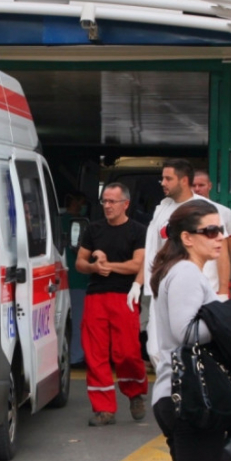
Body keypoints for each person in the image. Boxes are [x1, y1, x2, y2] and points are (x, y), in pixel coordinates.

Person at [148, 199, 226, 461]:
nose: (220, 237)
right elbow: (186, 332)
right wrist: (228, 320)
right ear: (187, 238)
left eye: (220, 229)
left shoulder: (180, 271)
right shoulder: (186, 273)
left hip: (179, 395)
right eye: (211, 231)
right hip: (188, 398)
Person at [131, 159, 230, 369]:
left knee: (192, 348)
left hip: (198, 288)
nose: (163, 183)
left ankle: (188, 387)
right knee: (156, 350)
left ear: (184, 180)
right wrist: (138, 283)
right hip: (162, 289)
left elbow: (222, 250)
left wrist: (222, 291)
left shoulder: (205, 209)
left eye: (168, 178)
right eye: (163, 178)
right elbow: (153, 251)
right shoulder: (162, 208)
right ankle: (173, 388)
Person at [76, 182, 148, 426]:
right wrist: (93, 267)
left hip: (124, 297)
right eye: (104, 201)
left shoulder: (138, 231)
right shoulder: (93, 230)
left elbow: (138, 264)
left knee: (127, 352)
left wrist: (108, 266)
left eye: (112, 201)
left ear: (125, 204)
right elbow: (80, 262)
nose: (107, 206)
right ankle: (103, 409)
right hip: (95, 296)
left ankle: (135, 392)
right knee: (94, 353)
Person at [192, 171, 231, 301]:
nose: (197, 189)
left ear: (210, 186)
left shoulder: (224, 212)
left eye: (201, 185)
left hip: (217, 286)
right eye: (193, 185)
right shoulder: (177, 212)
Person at [60, 191, 90, 366]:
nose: (83, 206)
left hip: (63, 279)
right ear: (74, 202)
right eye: (81, 202)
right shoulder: (78, 224)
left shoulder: (57, 221)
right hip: (77, 279)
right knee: (79, 320)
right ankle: (76, 356)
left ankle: (72, 355)